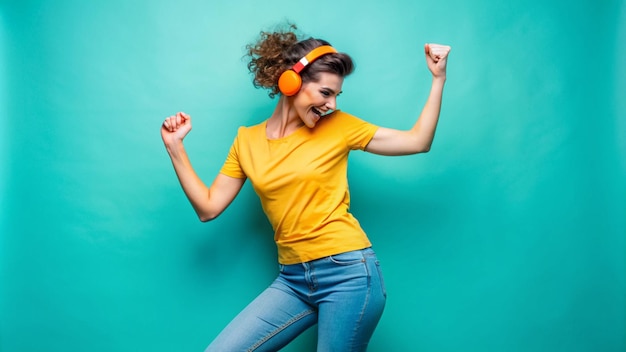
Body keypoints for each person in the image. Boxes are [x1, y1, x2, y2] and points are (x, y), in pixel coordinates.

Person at [161, 24, 450, 352]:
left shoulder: (338, 126)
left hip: (349, 275)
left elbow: (418, 141)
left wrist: (437, 78)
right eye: (326, 92)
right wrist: (175, 147)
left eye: (337, 95)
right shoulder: (247, 141)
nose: (332, 104)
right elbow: (208, 208)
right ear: (291, 82)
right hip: (293, 281)